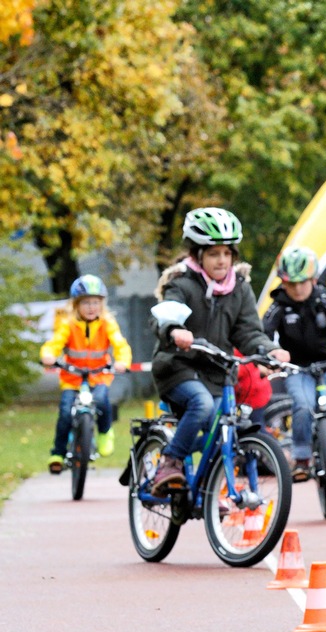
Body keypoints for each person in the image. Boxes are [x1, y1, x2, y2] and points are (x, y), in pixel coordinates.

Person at [148, 207, 290, 495]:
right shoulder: (182, 283)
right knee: (202, 405)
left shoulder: (239, 288)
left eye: (227, 253)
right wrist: (175, 330)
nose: (222, 260)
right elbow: (163, 316)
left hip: (217, 371)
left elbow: (248, 331)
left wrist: (269, 350)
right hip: (178, 367)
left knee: (223, 424)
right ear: (198, 255)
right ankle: (170, 461)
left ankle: (210, 491)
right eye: (214, 254)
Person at [262, 245, 326, 481]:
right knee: (302, 406)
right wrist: (269, 355)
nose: (297, 289)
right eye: (291, 283)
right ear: (282, 283)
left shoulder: (324, 298)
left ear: (313, 279)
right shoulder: (278, 306)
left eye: (303, 282)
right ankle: (301, 458)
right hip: (297, 368)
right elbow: (264, 334)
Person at [39, 275, 132, 473]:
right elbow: (54, 344)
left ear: (102, 304)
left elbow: (120, 344)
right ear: (76, 305)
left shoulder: (107, 323)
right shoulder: (68, 323)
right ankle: (58, 453)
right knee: (65, 413)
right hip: (72, 378)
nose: (92, 307)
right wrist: (48, 355)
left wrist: (123, 361)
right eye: (86, 302)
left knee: (102, 401)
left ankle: (105, 433)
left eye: (96, 302)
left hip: (99, 376)